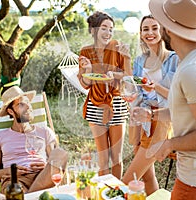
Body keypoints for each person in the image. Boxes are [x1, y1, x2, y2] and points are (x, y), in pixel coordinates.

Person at [132, 0, 196, 199]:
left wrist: (169, 144)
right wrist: (152, 114)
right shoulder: (193, 58)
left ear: (168, 29)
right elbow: (187, 110)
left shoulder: (193, 70)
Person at [122, 15, 179, 195]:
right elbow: (133, 88)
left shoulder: (174, 59)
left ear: (162, 31)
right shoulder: (140, 61)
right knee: (146, 176)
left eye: (154, 28)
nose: (150, 33)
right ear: (140, 34)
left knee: (127, 181)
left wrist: (155, 87)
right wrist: (126, 61)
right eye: (145, 29)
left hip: (159, 119)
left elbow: (177, 99)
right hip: (140, 120)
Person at [77, 11, 131, 179]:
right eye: (104, 28)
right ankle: (103, 194)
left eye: (111, 29)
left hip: (117, 104)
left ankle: (116, 193)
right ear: (93, 30)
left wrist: (116, 73)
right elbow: (86, 84)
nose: (108, 33)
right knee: (103, 160)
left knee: (116, 158)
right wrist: (87, 70)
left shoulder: (117, 47)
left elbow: (128, 76)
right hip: (95, 104)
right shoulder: (85, 52)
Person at [0, 86, 68, 194]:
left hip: (42, 176)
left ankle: (28, 196)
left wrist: (46, 166)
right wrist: (10, 171)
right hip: (15, 180)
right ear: (10, 111)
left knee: (60, 153)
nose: (28, 107)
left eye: (28, 103)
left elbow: (54, 161)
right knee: (15, 191)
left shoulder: (44, 132)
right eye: (21, 104)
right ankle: (33, 195)